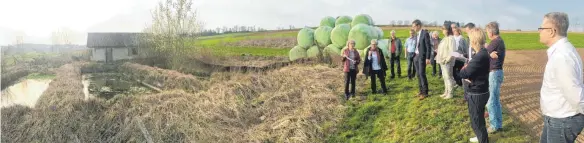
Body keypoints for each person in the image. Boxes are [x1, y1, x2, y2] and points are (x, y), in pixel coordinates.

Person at [538, 12, 584, 143]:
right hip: (556, 118)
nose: (539, 31)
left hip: (563, 120)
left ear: (552, 31)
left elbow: (576, 96)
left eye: (542, 28)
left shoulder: (562, 57)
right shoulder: (561, 52)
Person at [459, 28, 490, 143]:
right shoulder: (482, 53)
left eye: (470, 39)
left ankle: (483, 140)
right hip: (481, 90)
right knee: (479, 119)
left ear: (475, 41)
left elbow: (464, 73)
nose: (470, 42)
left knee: (476, 121)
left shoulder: (479, 56)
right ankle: (481, 138)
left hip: (477, 93)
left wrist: (465, 69)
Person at [485, 21, 506, 133]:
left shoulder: (495, 42)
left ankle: (494, 126)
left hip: (493, 73)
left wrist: (487, 52)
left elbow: (482, 54)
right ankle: (499, 124)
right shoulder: (500, 41)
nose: (487, 34)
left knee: (490, 101)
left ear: (491, 32)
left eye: (487, 31)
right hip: (498, 72)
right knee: (496, 101)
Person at [411, 19, 432, 100]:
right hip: (416, 56)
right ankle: (420, 91)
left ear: (418, 26)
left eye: (414, 26)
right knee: (418, 74)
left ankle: (425, 92)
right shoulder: (417, 34)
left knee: (422, 74)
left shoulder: (425, 33)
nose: (413, 28)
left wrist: (428, 58)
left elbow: (428, 46)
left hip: (422, 57)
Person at [435, 22, 457, 99]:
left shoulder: (451, 38)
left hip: (447, 61)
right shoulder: (445, 38)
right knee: (444, 77)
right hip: (442, 61)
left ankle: (450, 93)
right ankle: (446, 92)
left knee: (448, 77)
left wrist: (447, 60)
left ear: (447, 30)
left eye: (443, 29)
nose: (442, 31)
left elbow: (452, 51)